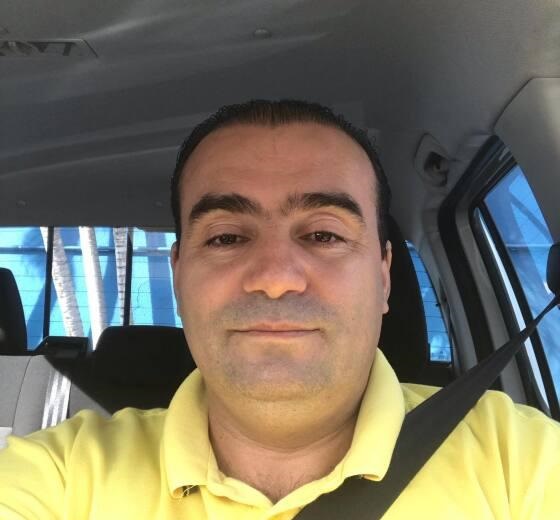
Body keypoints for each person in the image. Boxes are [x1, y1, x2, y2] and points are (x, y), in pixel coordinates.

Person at [0, 100, 559, 519]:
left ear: (384, 275)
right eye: (225, 237)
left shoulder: (520, 461)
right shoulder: (59, 476)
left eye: (323, 234)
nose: (274, 278)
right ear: (178, 276)